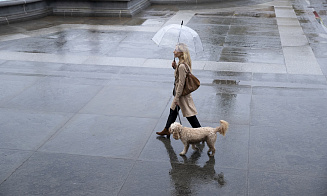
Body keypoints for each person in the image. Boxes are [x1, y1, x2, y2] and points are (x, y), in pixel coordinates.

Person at [156, 43, 201, 138]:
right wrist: (175, 67)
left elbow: (181, 83)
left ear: (181, 53)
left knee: (190, 115)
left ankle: (200, 132)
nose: (174, 51)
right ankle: (167, 130)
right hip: (180, 94)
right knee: (173, 111)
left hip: (181, 95)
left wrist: (177, 97)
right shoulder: (181, 64)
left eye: (176, 50)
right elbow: (181, 76)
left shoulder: (182, 66)